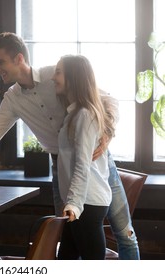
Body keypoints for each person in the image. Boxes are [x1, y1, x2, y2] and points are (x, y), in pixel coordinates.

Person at [0, 32, 140, 259]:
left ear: (19, 59)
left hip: (94, 161)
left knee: (125, 233)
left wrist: (107, 134)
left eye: (0, 62)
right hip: (60, 167)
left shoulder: (55, 76)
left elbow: (105, 100)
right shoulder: (13, 99)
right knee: (68, 234)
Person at [53, 54, 115, 259]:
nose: (53, 77)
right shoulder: (75, 113)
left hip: (87, 204)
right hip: (80, 203)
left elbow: (82, 165)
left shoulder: (84, 115)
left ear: (74, 77)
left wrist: (73, 204)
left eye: (58, 72)